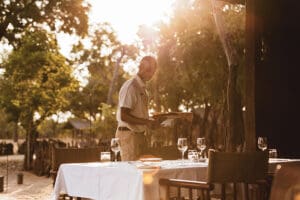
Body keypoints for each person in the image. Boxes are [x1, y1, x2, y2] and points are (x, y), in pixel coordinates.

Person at [115, 56, 159, 161]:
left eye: (153, 71)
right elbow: (124, 116)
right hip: (128, 135)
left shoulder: (142, 88)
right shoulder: (131, 87)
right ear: (140, 67)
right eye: (148, 70)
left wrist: (150, 122)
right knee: (131, 172)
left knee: (142, 172)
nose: (151, 74)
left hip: (139, 136)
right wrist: (147, 122)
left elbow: (139, 115)